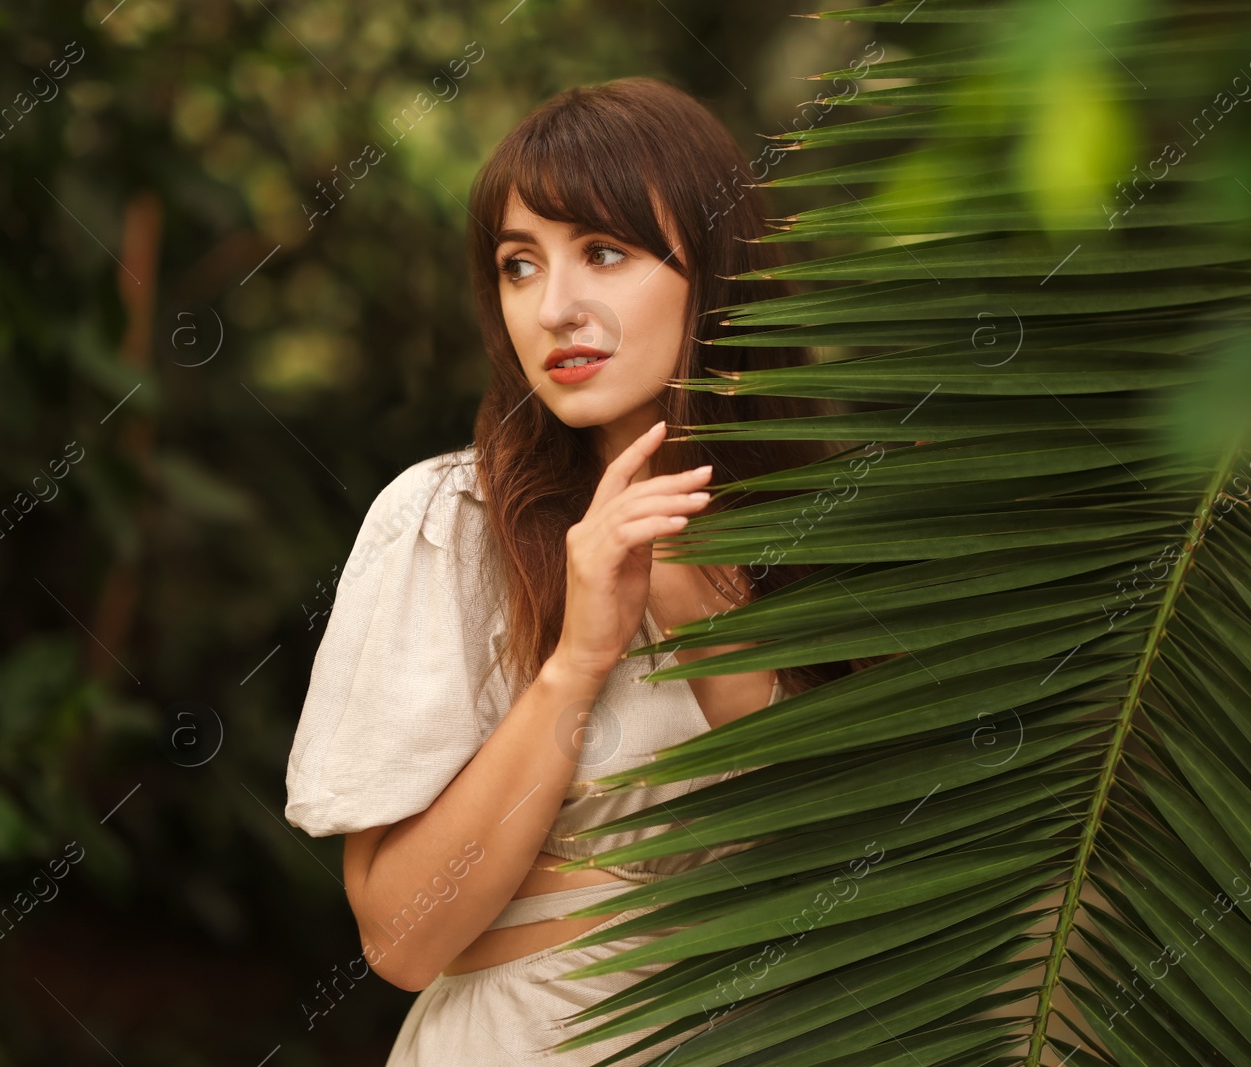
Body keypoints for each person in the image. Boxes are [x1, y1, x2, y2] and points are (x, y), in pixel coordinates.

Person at [283, 76, 862, 1063]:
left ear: (718, 274)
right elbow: (403, 936)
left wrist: (694, 607)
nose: (553, 308)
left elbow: (860, 865)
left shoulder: (824, 530)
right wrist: (577, 656)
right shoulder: (452, 523)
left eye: (603, 252)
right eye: (518, 264)